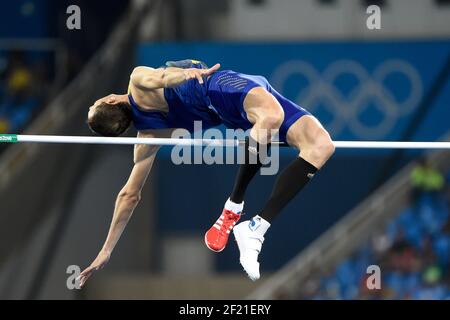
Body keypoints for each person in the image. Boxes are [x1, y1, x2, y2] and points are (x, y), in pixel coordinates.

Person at [79, 59, 334, 286]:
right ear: (109, 100)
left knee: (320, 146)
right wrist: (186, 73)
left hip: (235, 107)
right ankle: (233, 207)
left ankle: (256, 227)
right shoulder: (137, 82)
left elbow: (129, 195)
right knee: (272, 116)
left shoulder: (148, 138)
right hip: (218, 87)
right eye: (97, 101)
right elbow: (162, 78)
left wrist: (106, 250)